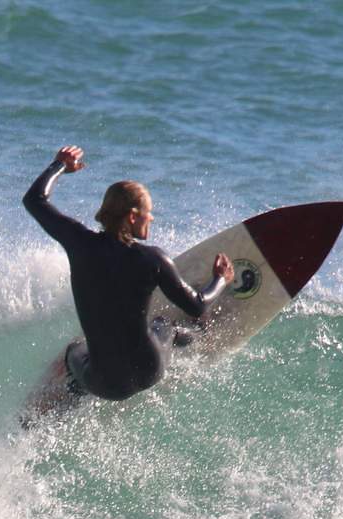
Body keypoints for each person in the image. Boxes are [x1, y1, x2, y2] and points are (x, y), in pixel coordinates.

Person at [23, 145, 234, 410]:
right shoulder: (154, 259)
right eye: (149, 212)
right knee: (163, 325)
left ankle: (74, 393)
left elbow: (34, 200)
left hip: (105, 384)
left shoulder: (78, 241)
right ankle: (193, 335)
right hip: (150, 371)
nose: (152, 217)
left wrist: (61, 165)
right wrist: (221, 280)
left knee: (74, 352)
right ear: (133, 216)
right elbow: (197, 304)